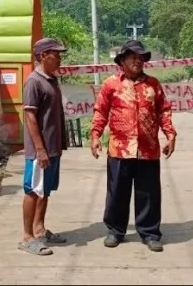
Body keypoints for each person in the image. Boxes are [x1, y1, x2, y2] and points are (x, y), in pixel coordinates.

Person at [90, 40, 177, 252]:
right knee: (117, 192)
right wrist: (95, 135)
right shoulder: (111, 84)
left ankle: (149, 232)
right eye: (133, 57)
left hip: (148, 149)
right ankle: (115, 230)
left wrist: (170, 134)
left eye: (141, 57)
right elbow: (100, 111)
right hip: (120, 148)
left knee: (148, 193)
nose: (138, 61)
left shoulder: (153, 84)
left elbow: (163, 111)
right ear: (122, 60)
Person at [18, 38, 69, 256]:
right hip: (40, 150)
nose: (59, 57)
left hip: (52, 147)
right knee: (32, 190)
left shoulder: (52, 80)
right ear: (42, 56)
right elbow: (30, 116)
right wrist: (40, 149)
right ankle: (27, 237)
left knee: (44, 190)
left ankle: (39, 229)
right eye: (55, 54)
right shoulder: (34, 82)